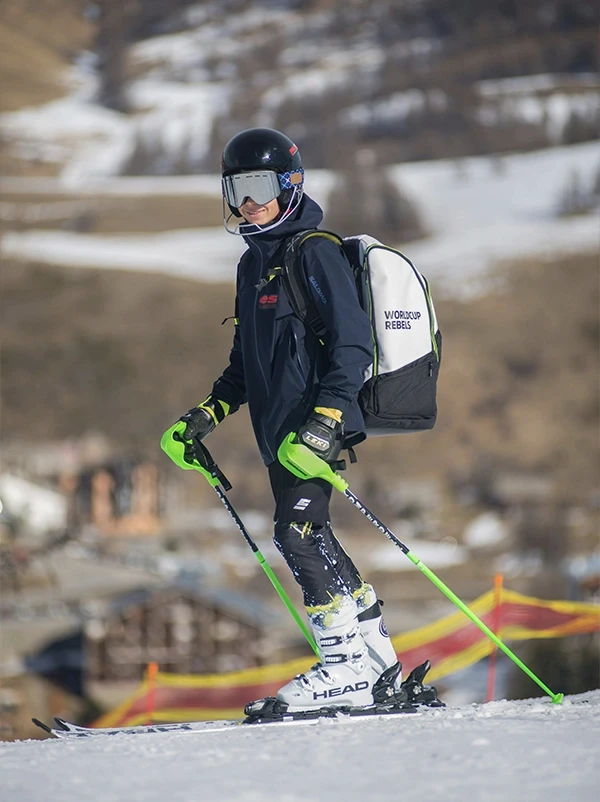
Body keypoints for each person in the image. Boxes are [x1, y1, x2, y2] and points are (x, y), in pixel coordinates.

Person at [161, 127, 402, 712]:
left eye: (259, 186)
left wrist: (323, 423)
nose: (247, 201)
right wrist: (207, 414)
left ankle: (344, 667)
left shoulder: (314, 252)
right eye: (236, 188)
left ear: (290, 184)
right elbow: (244, 364)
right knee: (313, 534)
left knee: (293, 533)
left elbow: (353, 347)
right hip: (277, 435)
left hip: (315, 429)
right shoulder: (251, 266)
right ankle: (377, 662)